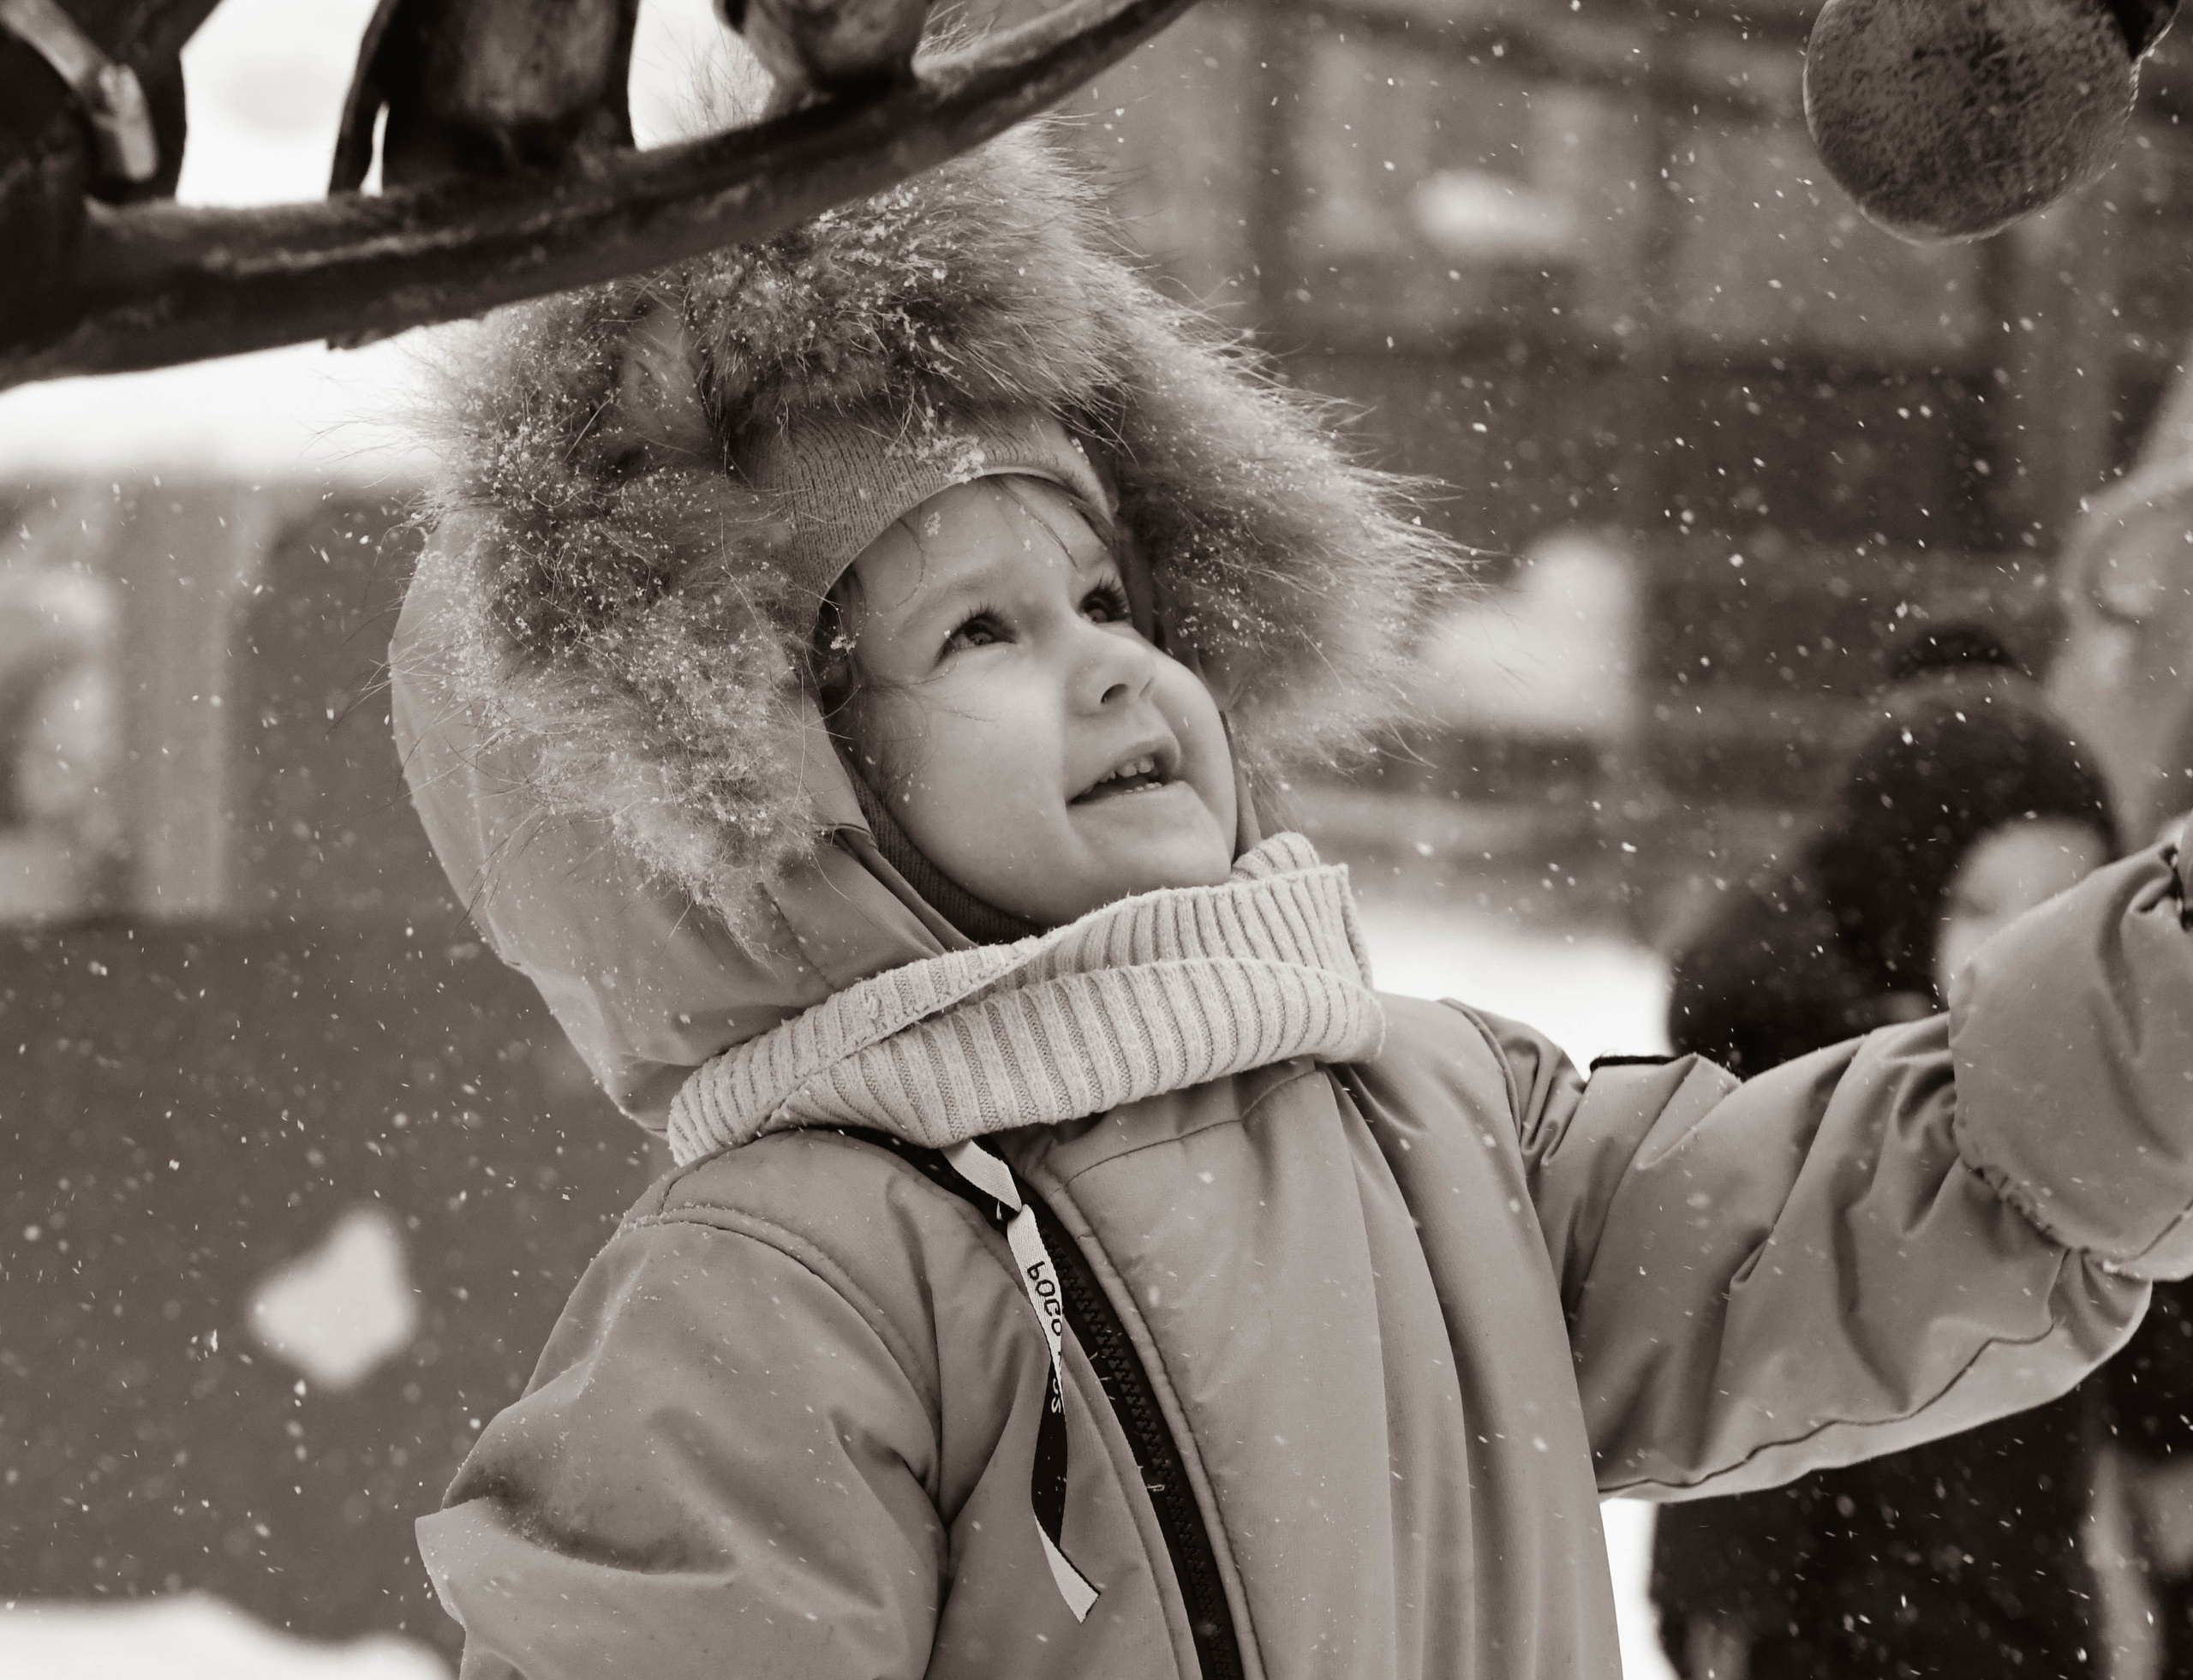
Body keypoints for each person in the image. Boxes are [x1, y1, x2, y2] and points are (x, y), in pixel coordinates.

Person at [388, 127, 2193, 1680]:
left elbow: (1889, 1196)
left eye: (1109, 598)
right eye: (981, 631)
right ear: (770, 782)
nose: (1108, 667)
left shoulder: (1429, 1123)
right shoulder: (802, 1279)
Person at [1648, 634, 2120, 1680]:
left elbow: (2147, 1294)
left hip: (2017, 1591)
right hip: (1814, 1603)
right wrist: (1728, 1590)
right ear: (1903, 900)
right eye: (1981, 903)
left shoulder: (2093, 1086)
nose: (2025, 939)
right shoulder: (1796, 1091)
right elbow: (1712, 1332)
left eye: (2066, 902)